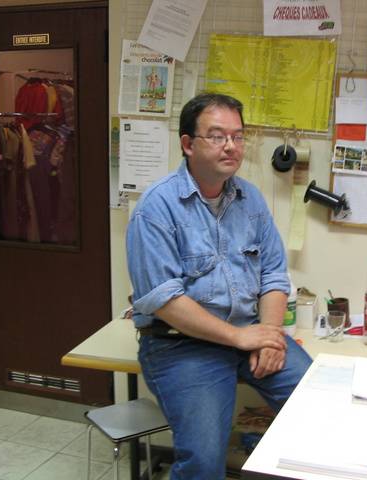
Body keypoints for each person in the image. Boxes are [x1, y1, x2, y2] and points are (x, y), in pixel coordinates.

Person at [126, 93, 313, 479]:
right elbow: (164, 299)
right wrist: (239, 338)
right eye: (216, 136)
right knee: (205, 460)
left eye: (238, 136)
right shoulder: (156, 207)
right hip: (182, 345)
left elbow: (274, 275)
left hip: (250, 332)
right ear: (187, 144)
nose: (231, 145)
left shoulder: (251, 199)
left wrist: (269, 335)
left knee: (321, 408)